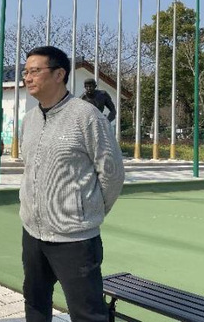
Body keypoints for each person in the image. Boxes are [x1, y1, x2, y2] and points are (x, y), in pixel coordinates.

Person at [19, 46, 125, 322]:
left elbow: (112, 174)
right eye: (25, 72)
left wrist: (86, 211)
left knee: (87, 313)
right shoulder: (29, 120)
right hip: (32, 233)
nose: (27, 78)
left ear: (59, 74)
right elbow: (29, 168)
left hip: (75, 239)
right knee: (35, 302)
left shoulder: (87, 117)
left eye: (34, 71)